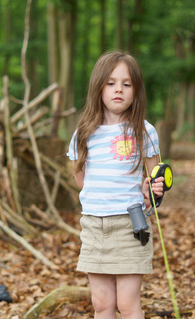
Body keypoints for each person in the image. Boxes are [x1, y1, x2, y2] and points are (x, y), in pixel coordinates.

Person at [67, 50, 165, 319]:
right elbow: (80, 177)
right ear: (98, 87)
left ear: (136, 90)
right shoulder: (84, 132)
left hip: (130, 224)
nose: (118, 90)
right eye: (110, 83)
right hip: (94, 225)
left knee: (127, 303)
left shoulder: (144, 131)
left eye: (126, 84)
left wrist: (151, 190)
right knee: (101, 303)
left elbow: (155, 177)